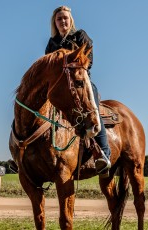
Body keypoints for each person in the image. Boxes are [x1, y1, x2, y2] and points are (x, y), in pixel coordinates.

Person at [45, 6, 111, 176]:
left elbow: (88, 61)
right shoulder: (51, 43)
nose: (63, 21)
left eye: (65, 18)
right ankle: (26, 153)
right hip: (60, 87)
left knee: (93, 109)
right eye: (59, 19)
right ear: (55, 23)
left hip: (81, 82)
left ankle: (103, 154)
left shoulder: (80, 36)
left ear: (70, 20)